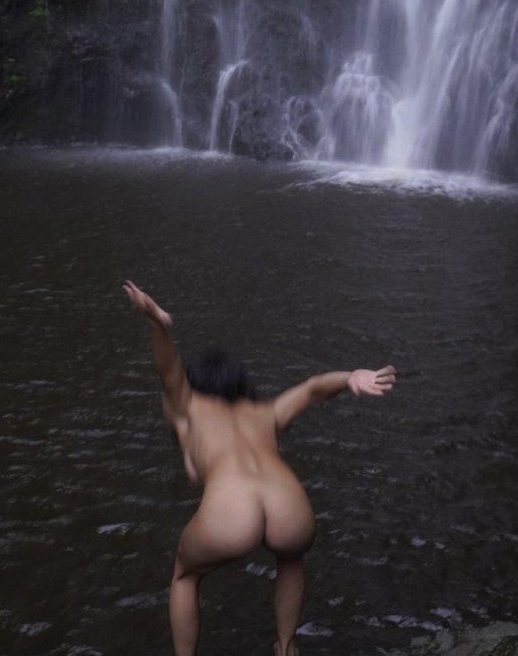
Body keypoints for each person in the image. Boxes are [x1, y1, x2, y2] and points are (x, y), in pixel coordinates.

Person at [124, 280, 396, 656]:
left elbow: (168, 370)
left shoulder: (189, 406)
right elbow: (313, 389)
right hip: (289, 505)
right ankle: (285, 647)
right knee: (291, 558)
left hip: (232, 511)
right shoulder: (264, 412)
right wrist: (350, 377)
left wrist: (157, 323)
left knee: (185, 576)